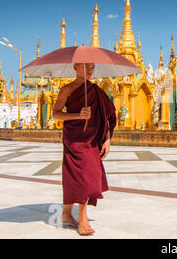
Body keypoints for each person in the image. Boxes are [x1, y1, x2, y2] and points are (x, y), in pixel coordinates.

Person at [52, 63, 116, 236]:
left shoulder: (96, 90)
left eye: (92, 67)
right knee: (81, 177)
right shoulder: (67, 89)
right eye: (86, 67)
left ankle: (66, 213)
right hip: (75, 139)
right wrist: (78, 115)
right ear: (75, 67)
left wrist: (108, 140)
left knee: (87, 175)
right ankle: (82, 218)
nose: (90, 71)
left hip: (92, 139)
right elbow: (56, 113)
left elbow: (109, 114)